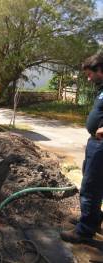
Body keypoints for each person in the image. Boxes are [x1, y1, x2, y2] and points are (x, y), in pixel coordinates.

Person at [61, 53, 103, 243]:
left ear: (100, 70)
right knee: (94, 184)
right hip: (95, 143)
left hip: (101, 146)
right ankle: (91, 219)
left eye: (89, 74)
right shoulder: (101, 88)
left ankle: (85, 231)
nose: (88, 78)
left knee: (90, 187)